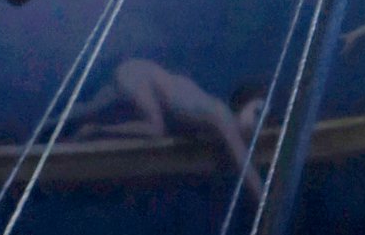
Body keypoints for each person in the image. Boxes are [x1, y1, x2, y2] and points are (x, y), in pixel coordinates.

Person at [74, 59, 269, 201]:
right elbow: (246, 168)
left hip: (138, 73)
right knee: (155, 129)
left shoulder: (215, 119)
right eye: (257, 112)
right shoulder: (222, 117)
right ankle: (96, 130)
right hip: (137, 73)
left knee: (86, 108)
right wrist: (265, 203)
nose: (258, 123)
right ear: (241, 106)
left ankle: (69, 123)